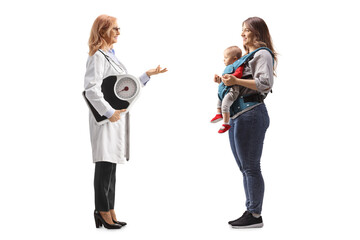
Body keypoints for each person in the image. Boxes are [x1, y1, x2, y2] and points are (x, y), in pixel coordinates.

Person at [84, 14, 167, 229]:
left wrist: (146, 76)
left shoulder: (112, 56)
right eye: (115, 29)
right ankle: (102, 210)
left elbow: (124, 88)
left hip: (115, 118)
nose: (119, 32)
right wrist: (109, 111)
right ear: (102, 31)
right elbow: (91, 90)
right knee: (104, 165)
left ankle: (110, 209)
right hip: (105, 120)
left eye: (119, 28)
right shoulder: (98, 56)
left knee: (111, 166)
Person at [220, 17, 277, 228]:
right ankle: (251, 210)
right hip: (238, 115)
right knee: (245, 168)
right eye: (242, 30)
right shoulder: (246, 57)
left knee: (251, 167)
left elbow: (264, 83)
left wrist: (235, 81)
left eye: (246, 31)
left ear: (258, 33)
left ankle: (255, 215)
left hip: (251, 113)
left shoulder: (262, 54)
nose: (242, 34)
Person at [210, 46, 244, 133]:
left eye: (226, 58)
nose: (223, 60)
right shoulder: (228, 67)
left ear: (234, 59)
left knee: (225, 105)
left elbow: (238, 74)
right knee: (219, 99)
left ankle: (226, 123)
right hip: (226, 89)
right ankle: (218, 114)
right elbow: (227, 80)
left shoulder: (239, 65)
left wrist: (231, 77)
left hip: (233, 90)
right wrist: (220, 79)